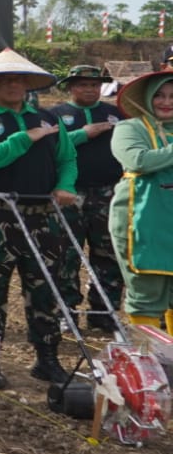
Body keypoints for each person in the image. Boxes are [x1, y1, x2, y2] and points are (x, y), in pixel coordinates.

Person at [0, 49, 78, 384]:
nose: (13, 85)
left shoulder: (48, 120)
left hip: (43, 217)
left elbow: (67, 159)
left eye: (19, 79)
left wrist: (66, 185)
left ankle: (47, 359)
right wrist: (22, 139)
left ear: (28, 84)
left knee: (45, 290)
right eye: (5, 80)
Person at [55, 64, 125, 330]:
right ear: (71, 87)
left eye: (94, 85)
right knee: (66, 255)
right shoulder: (57, 115)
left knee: (107, 253)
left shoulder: (115, 113)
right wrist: (83, 134)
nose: (89, 89)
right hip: (69, 194)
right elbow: (51, 147)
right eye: (83, 84)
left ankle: (103, 312)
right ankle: (66, 312)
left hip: (108, 192)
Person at [109, 69, 173, 332]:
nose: (167, 102)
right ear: (147, 98)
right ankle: (150, 362)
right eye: (159, 95)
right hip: (141, 221)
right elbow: (138, 160)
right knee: (146, 293)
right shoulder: (130, 128)